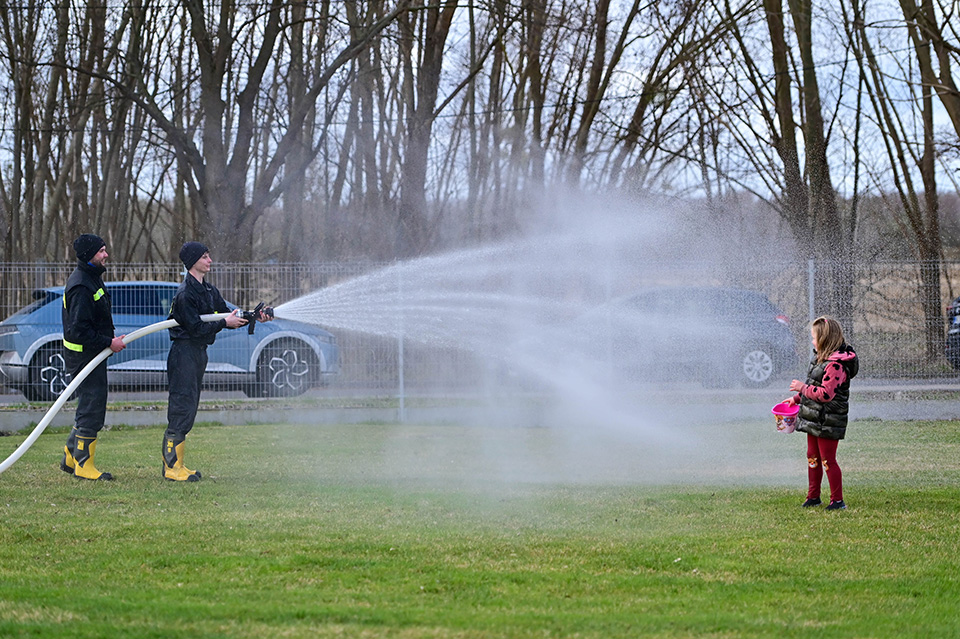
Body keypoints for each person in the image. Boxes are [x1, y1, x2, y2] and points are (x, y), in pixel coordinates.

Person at [162, 241, 270, 481]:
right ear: (193, 262)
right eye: (205, 257)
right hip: (183, 354)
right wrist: (224, 323)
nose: (210, 260)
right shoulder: (185, 294)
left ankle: (178, 463)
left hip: (198, 354)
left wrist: (255, 316)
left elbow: (228, 314)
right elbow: (197, 327)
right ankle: (171, 467)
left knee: (190, 407)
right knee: (181, 407)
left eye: (209, 256)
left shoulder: (209, 291)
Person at [60, 234, 127, 480]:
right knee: (92, 407)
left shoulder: (91, 278)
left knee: (89, 404)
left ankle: (71, 455)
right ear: (89, 255)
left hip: (92, 355)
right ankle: (83, 466)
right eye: (101, 251)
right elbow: (77, 330)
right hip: (84, 358)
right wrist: (108, 342)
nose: (106, 254)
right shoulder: (81, 285)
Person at [781, 315, 859, 510]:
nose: (812, 341)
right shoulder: (820, 360)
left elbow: (825, 394)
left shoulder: (836, 366)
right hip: (814, 418)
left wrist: (801, 389)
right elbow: (814, 387)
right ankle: (813, 496)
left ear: (825, 340)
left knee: (828, 460)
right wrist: (796, 399)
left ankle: (837, 501)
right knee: (812, 456)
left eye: (814, 337)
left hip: (828, 421)